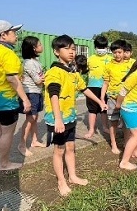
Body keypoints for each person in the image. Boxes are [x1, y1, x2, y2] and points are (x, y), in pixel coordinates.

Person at [44, 35, 107, 196]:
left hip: (70, 117)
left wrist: (100, 102)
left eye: (73, 48)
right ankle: (61, 181)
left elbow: (84, 89)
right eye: (67, 48)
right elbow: (53, 95)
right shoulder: (54, 72)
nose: (71, 52)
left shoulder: (72, 72)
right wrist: (58, 119)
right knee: (59, 150)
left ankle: (72, 176)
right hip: (57, 119)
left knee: (71, 147)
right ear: (56, 52)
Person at [0, 20, 31, 170]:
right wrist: (25, 99)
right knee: (8, 132)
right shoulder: (7, 53)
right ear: (3, 35)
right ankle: (4, 163)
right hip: (5, 100)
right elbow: (12, 78)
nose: (16, 36)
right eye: (13, 32)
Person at [17, 36, 46, 157]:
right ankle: (22, 144)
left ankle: (34, 141)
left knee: (35, 117)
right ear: (34, 48)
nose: (41, 46)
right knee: (30, 118)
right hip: (31, 93)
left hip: (37, 92)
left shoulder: (35, 62)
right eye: (39, 44)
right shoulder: (29, 63)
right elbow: (38, 80)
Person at [101, 39, 131, 154]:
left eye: (119, 52)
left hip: (127, 99)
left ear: (124, 52)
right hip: (112, 99)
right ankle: (113, 144)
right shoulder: (108, 66)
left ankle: (126, 142)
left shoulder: (131, 65)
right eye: (114, 52)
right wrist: (102, 98)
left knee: (126, 122)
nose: (117, 55)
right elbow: (105, 83)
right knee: (112, 122)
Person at [84, 35, 111, 138]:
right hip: (92, 87)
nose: (101, 49)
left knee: (104, 109)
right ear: (95, 47)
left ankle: (105, 127)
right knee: (92, 110)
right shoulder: (90, 59)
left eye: (103, 47)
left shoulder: (110, 59)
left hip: (106, 87)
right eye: (99, 47)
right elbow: (84, 70)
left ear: (106, 47)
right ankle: (91, 129)